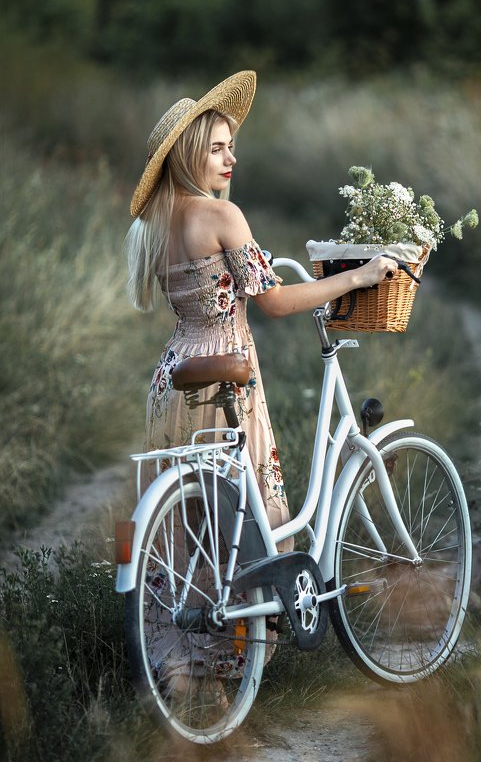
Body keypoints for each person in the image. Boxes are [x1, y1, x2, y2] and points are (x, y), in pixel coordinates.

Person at [126, 68, 397, 537]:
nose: (231, 157)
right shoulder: (221, 215)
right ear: (190, 156)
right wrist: (359, 275)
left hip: (174, 375)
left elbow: (210, 280)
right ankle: (257, 606)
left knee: (193, 526)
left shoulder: (152, 229)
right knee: (245, 518)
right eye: (216, 149)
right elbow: (273, 302)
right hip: (227, 368)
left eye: (231, 146)